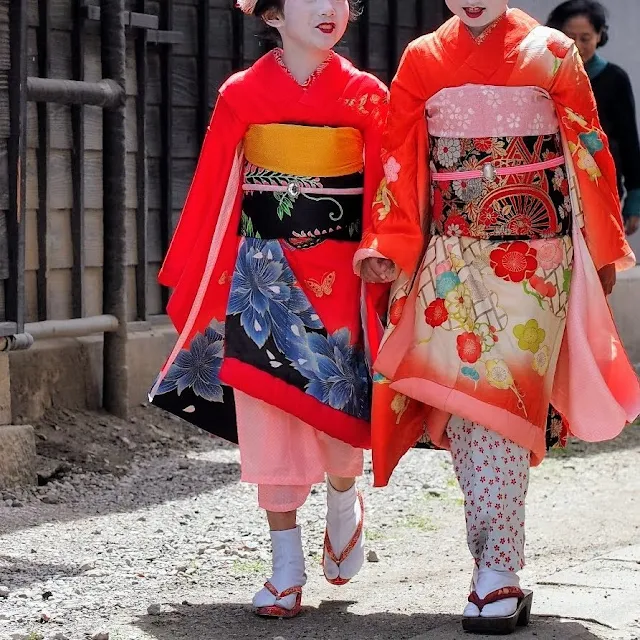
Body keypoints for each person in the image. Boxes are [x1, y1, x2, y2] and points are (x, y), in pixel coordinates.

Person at [356, 0, 640, 634]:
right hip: (451, 250)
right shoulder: (423, 57)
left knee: (504, 404)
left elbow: (590, 149)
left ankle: (497, 572)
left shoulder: (552, 53)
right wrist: (389, 243)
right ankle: (495, 564)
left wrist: (598, 244)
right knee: (464, 404)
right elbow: (401, 156)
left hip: (534, 255)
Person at [148, 0, 389, 619]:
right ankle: (285, 565)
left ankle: (342, 497)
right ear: (274, 15)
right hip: (262, 275)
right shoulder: (242, 93)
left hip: (341, 273)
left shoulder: (366, 95)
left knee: (336, 416)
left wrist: (384, 249)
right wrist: (201, 275)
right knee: (264, 414)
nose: (330, 9)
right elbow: (212, 188)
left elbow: (389, 185)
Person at [547, 0, 640, 237]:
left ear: (599, 36)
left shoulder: (615, 78)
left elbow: (629, 141)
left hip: (603, 186)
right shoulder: (546, 78)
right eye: (569, 37)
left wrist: (635, 200)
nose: (577, 45)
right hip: (555, 187)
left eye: (585, 38)